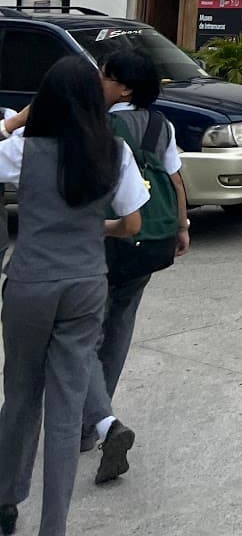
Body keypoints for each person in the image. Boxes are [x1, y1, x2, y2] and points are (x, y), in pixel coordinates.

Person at [0, 57, 147, 536]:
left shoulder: (25, 150)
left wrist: (16, 119)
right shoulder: (115, 152)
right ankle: (53, 527)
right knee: (66, 411)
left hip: (31, 284)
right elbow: (131, 224)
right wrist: (92, 227)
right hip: (86, 284)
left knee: (21, 396)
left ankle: (6, 501)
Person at [80, 47, 190, 461]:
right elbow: (175, 181)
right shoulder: (161, 125)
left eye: (104, 75)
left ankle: (92, 423)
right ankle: (94, 420)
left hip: (106, 239)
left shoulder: (98, 125)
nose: (98, 81)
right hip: (150, 241)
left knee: (85, 334)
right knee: (119, 328)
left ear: (124, 87)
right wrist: (181, 228)